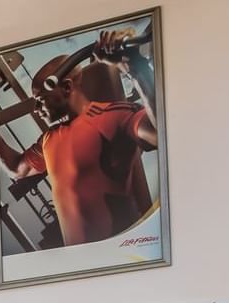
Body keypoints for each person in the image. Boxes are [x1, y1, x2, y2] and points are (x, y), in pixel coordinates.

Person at [8, 27, 160, 247]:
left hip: (120, 254)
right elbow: (17, 168)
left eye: (40, 99)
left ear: (67, 87)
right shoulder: (49, 140)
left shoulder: (115, 115)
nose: (36, 109)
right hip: (79, 260)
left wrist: (135, 67)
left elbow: (161, 134)